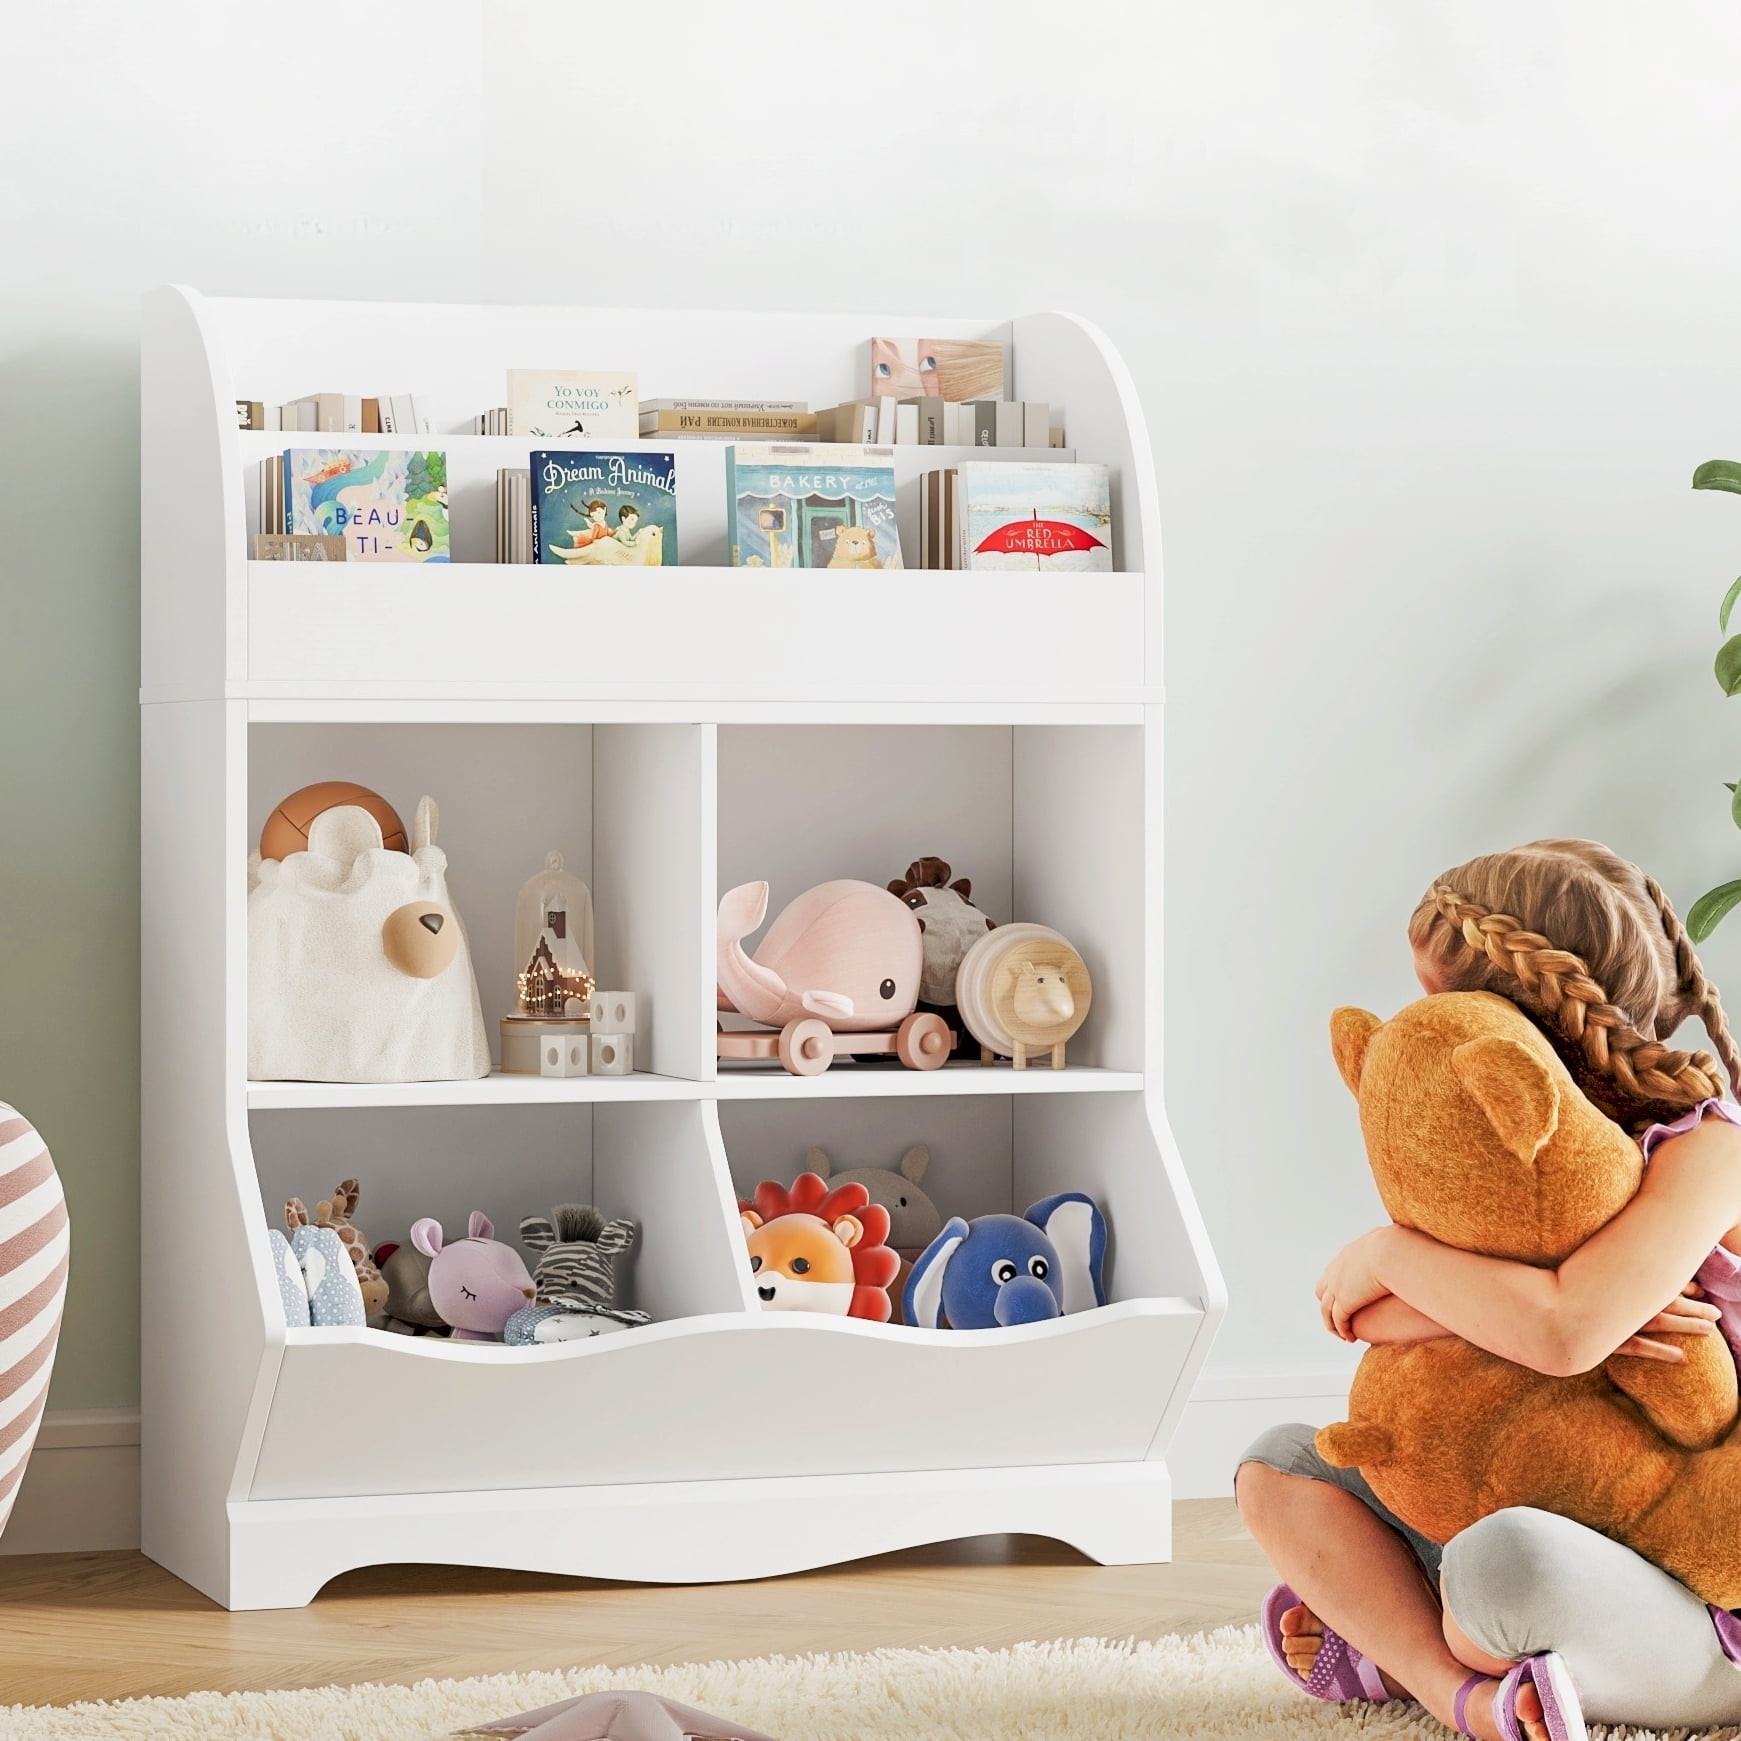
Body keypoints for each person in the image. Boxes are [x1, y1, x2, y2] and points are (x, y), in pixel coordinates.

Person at [1238, 839, 1741, 1739]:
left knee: (1498, 1562)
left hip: (1699, 1588)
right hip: (1544, 1491)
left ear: (1513, 1012)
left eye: (1439, 998)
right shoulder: (1512, 1158)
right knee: (1278, 1466)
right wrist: (1528, 1299)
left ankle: (1400, 1638)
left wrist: (1394, 1252)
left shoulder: (1709, 1150)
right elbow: (1365, 1319)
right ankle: (1455, 1689)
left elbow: (1561, 1334)